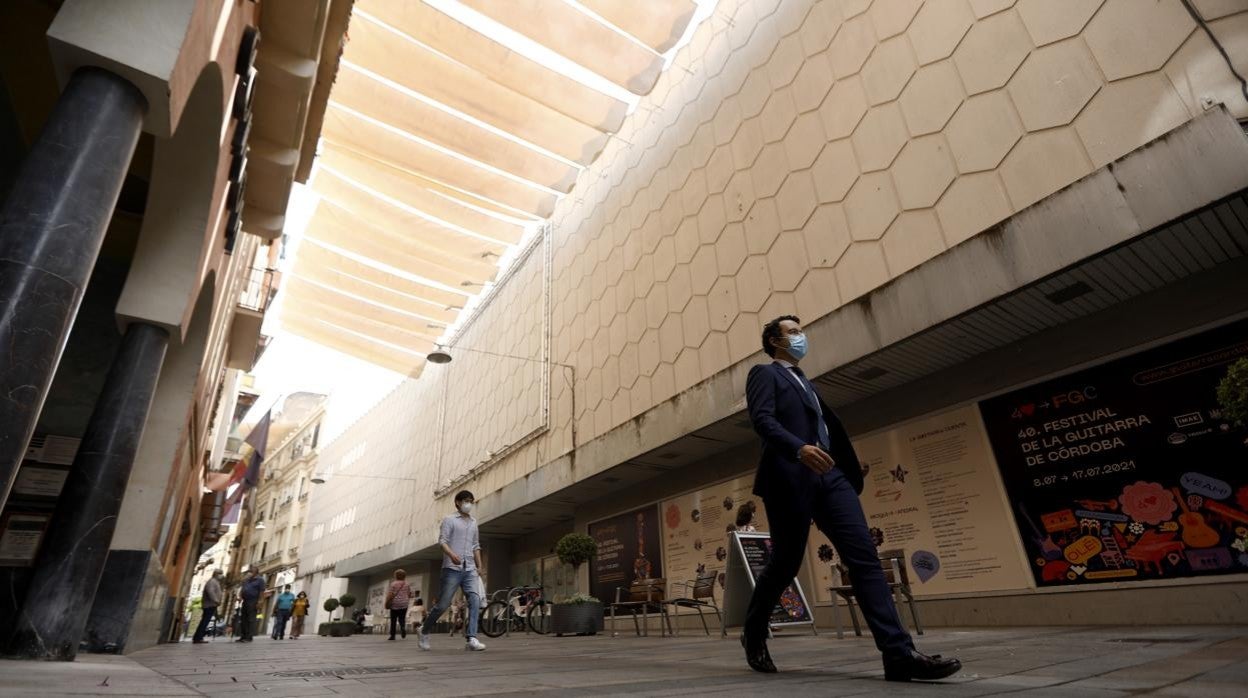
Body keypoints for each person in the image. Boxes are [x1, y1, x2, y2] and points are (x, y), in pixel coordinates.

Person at [740, 316, 961, 682]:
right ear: (774, 341)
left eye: (801, 330)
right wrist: (799, 450)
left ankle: (899, 654)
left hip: (832, 477)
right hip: (791, 478)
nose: (801, 337)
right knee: (785, 563)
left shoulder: (806, 383)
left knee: (864, 558)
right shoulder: (765, 374)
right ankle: (754, 631)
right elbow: (762, 420)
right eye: (793, 332)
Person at [418, 490, 486, 652]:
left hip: (469, 568)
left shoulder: (473, 522)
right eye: (466, 501)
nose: (468, 504)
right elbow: (442, 541)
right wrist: (451, 555)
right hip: (452, 568)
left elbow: (476, 545)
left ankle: (472, 638)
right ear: (457, 502)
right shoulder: (449, 520)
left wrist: (480, 565)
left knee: (475, 600)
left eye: (471, 501)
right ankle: (424, 630)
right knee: (443, 604)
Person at [192, 569, 224, 643]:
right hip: (209, 605)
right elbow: (211, 592)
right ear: (216, 574)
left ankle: (198, 637)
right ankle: (198, 637)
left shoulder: (215, 582)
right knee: (205, 621)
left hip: (211, 605)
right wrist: (216, 600)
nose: (221, 575)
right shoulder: (212, 582)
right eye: (220, 574)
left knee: (205, 621)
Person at [237, 567, 265, 643]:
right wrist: (240, 597)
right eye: (249, 572)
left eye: (251, 572)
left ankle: (249, 637)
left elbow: (262, 592)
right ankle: (243, 636)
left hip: (253, 601)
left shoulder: (260, 580)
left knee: (250, 619)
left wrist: (260, 602)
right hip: (245, 601)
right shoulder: (247, 580)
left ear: (255, 573)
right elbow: (243, 589)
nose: (249, 573)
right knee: (243, 619)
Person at [386, 568, 413, 640]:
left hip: (395, 604)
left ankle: (392, 635)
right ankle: (403, 627)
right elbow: (409, 594)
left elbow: (390, 594)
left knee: (393, 620)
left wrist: (387, 601)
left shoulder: (393, 584)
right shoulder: (407, 584)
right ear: (404, 576)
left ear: (396, 576)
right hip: (404, 603)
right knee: (402, 618)